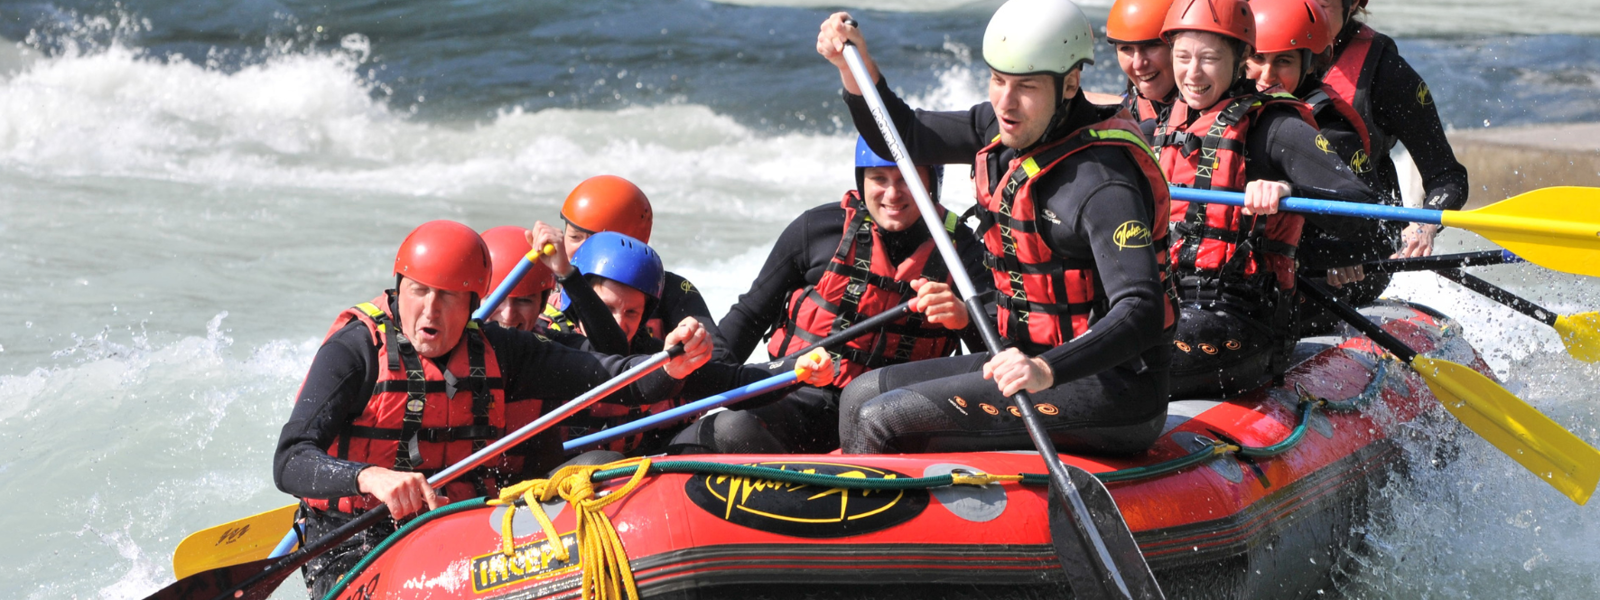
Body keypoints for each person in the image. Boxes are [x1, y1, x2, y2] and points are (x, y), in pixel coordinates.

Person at [273, 220, 713, 597]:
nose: (430, 310)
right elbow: (290, 459)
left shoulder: (503, 350)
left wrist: (671, 365)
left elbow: (615, 380)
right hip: (355, 539)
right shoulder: (354, 352)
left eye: (448, 296)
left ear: (471, 305)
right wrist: (370, 477)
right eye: (419, 291)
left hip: (459, 529)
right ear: (399, 288)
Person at [817, 0, 1180, 455]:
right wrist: (853, 66)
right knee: (860, 394)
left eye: (1026, 86)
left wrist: (1046, 369)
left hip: (1114, 389)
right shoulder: (1005, 127)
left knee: (882, 418)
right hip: (1020, 362)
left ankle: (885, 499)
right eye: (998, 80)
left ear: (1069, 84)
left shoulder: (1104, 183)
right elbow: (902, 136)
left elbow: (1141, 310)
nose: (1006, 102)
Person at [669, 138, 985, 454]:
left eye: (906, 179)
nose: (892, 194)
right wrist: (699, 383)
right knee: (729, 428)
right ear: (862, 182)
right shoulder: (818, 229)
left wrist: (965, 319)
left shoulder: (962, 250)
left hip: (895, 415)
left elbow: (997, 354)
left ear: (931, 183)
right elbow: (749, 317)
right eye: (879, 178)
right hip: (804, 400)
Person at [1153, 0, 1380, 399]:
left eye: (1209, 59)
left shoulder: (1276, 127)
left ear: (1240, 59)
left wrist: (1290, 192)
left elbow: (1366, 214)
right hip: (1171, 304)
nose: (1193, 73)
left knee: (1128, 360)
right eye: (1183, 57)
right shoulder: (1163, 125)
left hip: (1243, 323)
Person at [1244, 0, 1392, 321]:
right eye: (1257, 58)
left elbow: (1378, 232)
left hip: (1315, 283)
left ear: (1310, 64)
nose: (1266, 76)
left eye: (1283, 61)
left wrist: (1339, 252)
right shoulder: (1224, 110)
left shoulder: (1332, 130)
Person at [1314, 0, 1469, 260]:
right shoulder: (1254, 60)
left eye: (1320, 6)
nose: (1306, 15)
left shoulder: (1388, 72)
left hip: (1359, 247)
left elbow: (1447, 176)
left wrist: (1425, 223)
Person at [543, 175, 730, 361]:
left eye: (595, 243)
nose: (581, 250)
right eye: (574, 237)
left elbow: (720, 360)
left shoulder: (671, 291)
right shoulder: (545, 290)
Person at [1106, 0, 1178, 138]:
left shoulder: (1216, 117)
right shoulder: (1125, 113)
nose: (1138, 64)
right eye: (1126, 48)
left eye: (1151, 46)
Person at [480, 225, 558, 332]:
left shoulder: (556, 341)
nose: (508, 316)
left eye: (523, 300)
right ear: (474, 303)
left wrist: (567, 273)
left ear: (543, 304)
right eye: (494, 299)